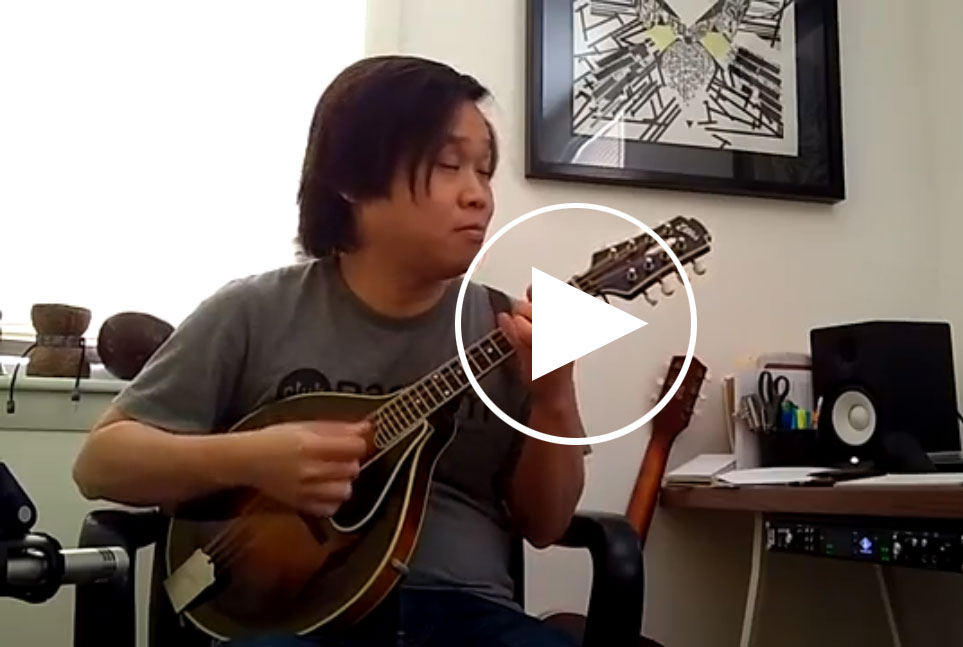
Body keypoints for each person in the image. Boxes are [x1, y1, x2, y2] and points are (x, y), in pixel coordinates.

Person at [71, 55, 586, 647]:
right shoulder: (254, 311)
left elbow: (546, 526)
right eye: (449, 165)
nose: (479, 197)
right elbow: (99, 464)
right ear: (352, 179)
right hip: (288, 621)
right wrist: (254, 459)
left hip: (467, 617)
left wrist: (553, 395)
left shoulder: (506, 328)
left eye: (484, 171)